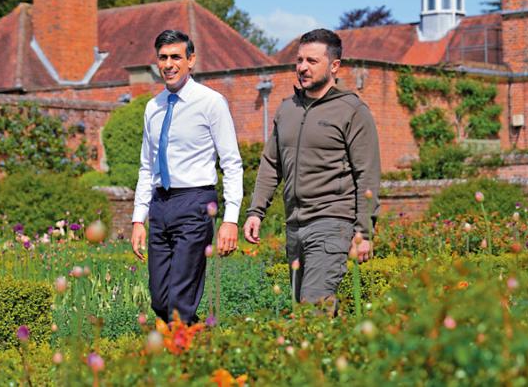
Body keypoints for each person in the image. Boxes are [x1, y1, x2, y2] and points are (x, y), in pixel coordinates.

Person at [244, 28, 380, 308]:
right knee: (304, 311)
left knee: (312, 308)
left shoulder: (352, 110)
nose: (302, 67)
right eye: (300, 60)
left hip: (332, 222)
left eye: (312, 61)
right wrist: (256, 211)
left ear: (334, 66)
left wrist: (364, 232)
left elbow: (367, 174)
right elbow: (271, 164)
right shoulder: (287, 109)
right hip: (294, 226)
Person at [131, 29, 243, 324]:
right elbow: (146, 167)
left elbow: (231, 163)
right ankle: (192, 340)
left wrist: (231, 219)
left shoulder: (211, 102)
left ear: (191, 60)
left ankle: (184, 346)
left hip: (195, 202)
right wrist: (138, 219)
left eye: (176, 57)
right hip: (160, 204)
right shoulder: (153, 107)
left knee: (180, 300)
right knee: (159, 298)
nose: (168, 64)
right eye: (163, 58)